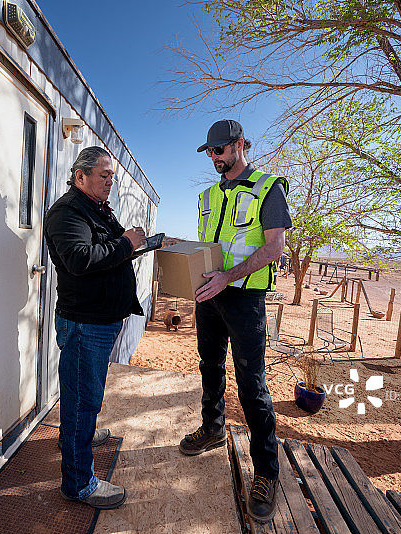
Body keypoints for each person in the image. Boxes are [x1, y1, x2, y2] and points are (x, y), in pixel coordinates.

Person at [179, 120, 292, 522]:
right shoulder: (207, 196)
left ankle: (266, 472)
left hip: (245, 300)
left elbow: (275, 247)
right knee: (209, 366)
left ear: (241, 144)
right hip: (209, 296)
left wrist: (230, 276)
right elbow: (209, 246)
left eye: (221, 150)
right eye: (210, 151)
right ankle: (211, 428)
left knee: (252, 383)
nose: (215, 157)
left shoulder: (268, 188)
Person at [43, 146, 146, 510]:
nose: (110, 182)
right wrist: (125, 243)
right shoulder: (67, 212)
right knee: (83, 401)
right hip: (85, 325)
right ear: (80, 175)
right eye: (104, 175)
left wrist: (135, 244)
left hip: (99, 321)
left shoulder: (96, 210)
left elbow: (110, 250)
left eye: (112, 176)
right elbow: (80, 259)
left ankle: (75, 438)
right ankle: (78, 484)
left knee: (83, 397)